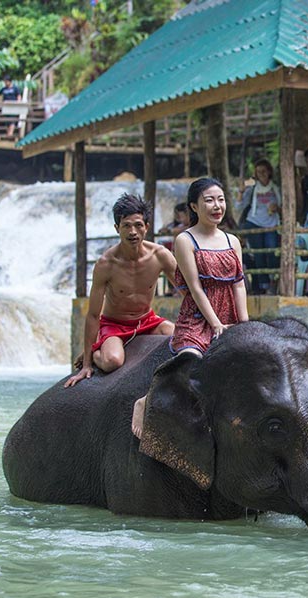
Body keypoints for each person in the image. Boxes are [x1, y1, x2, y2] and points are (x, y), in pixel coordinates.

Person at [132, 177, 249, 438]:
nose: (217, 206)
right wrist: (216, 323)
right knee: (193, 361)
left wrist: (243, 323)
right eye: (209, 200)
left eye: (220, 200)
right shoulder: (185, 240)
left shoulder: (233, 241)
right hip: (197, 317)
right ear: (194, 207)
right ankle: (146, 399)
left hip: (229, 313)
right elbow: (195, 288)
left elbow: (239, 284)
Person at [65, 194, 177, 388]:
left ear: (147, 227)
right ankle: (97, 351)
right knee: (112, 362)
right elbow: (93, 315)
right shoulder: (106, 264)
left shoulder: (160, 255)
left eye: (138, 225)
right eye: (126, 225)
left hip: (147, 321)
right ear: (117, 228)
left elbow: (188, 291)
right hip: (114, 325)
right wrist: (86, 364)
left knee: (180, 338)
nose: (133, 232)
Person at [239, 159, 281, 295]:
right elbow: (239, 206)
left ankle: (273, 281)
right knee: (258, 254)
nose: (261, 174)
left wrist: (277, 208)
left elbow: (284, 208)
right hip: (254, 222)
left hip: (272, 224)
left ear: (269, 172)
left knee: (272, 251)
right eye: (258, 172)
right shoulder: (252, 189)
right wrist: (240, 192)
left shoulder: (276, 188)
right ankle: (263, 285)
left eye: (264, 171)